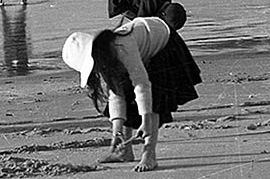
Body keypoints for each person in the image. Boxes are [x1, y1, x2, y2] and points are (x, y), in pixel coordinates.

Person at [63, 16, 201, 172]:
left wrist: (146, 120)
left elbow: (141, 84)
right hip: (143, 47)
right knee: (124, 92)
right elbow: (116, 94)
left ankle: (149, 154)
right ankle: (124, 150)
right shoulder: (106, 56)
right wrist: (117, 131)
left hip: (163, 43)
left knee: (155, 99)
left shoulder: (122, 47)